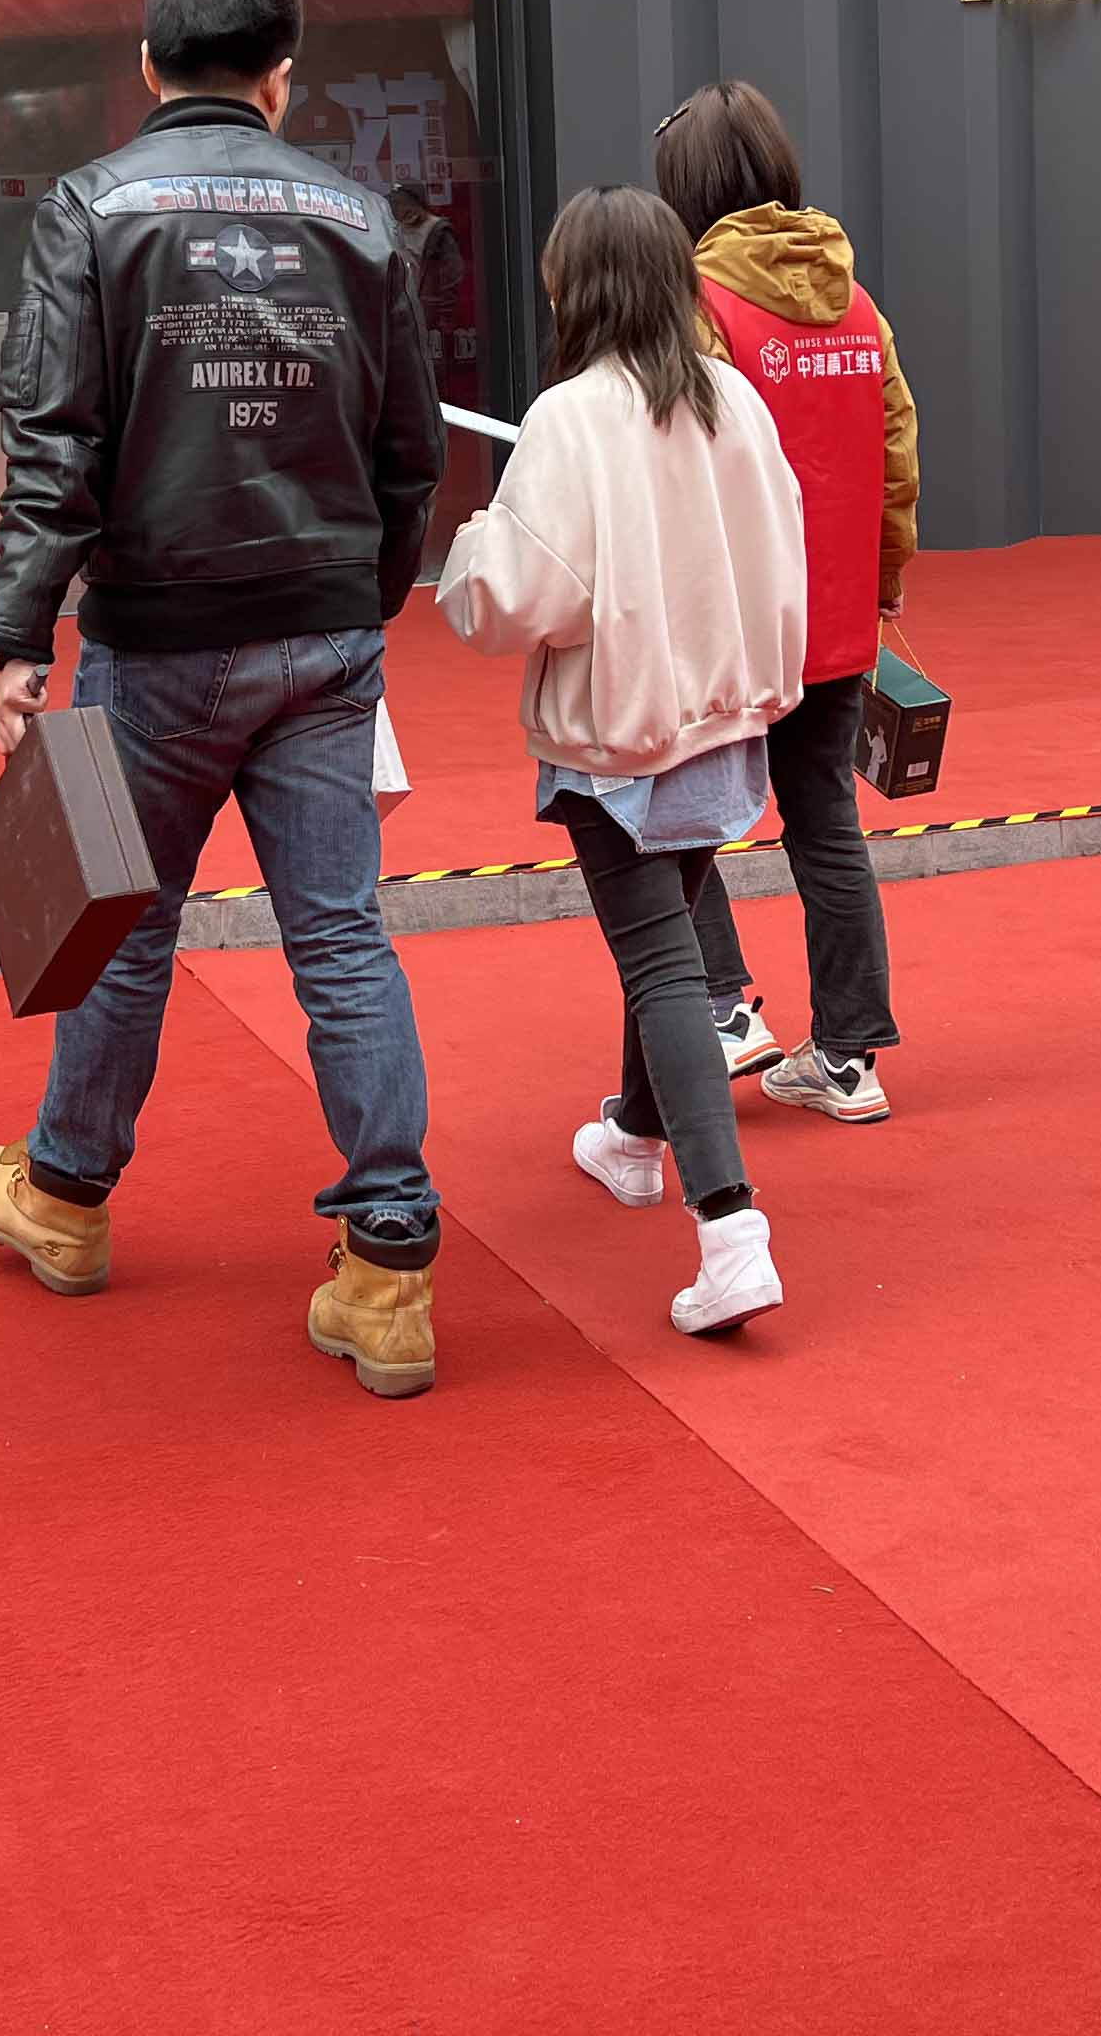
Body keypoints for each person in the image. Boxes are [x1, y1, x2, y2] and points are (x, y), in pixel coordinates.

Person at [0, 0, 454, 1400]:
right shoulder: (361, 220)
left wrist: (16, 635)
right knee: (343, 940)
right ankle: (390, 1266)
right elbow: (412, 450)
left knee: (125, 927)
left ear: (149, 65)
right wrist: (360, 603)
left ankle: (66, 1197)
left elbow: (52, 443)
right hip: (325, 635)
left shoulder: (91, 208)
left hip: (156, 639)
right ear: (281, 78)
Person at [439, 185, 807, 1337]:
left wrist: (472, 552)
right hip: (725, 718)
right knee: (668, 946)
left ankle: (730, 1226)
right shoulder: (734, 400)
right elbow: (787, 546)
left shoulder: (570, 417)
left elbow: (519, 597)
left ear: (574, 288)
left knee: (663, 967)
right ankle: (636, 1139)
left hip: (619, 731)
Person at [656, 81, 920, 1122]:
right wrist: (883, 582)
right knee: (826, 827)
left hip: (731, 619)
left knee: (668, 816)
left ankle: (721, 1003)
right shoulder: (859, 305)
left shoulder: (699, 305)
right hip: (836, 617)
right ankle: (849, 1058)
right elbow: (897, 457)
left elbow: (685, 467)